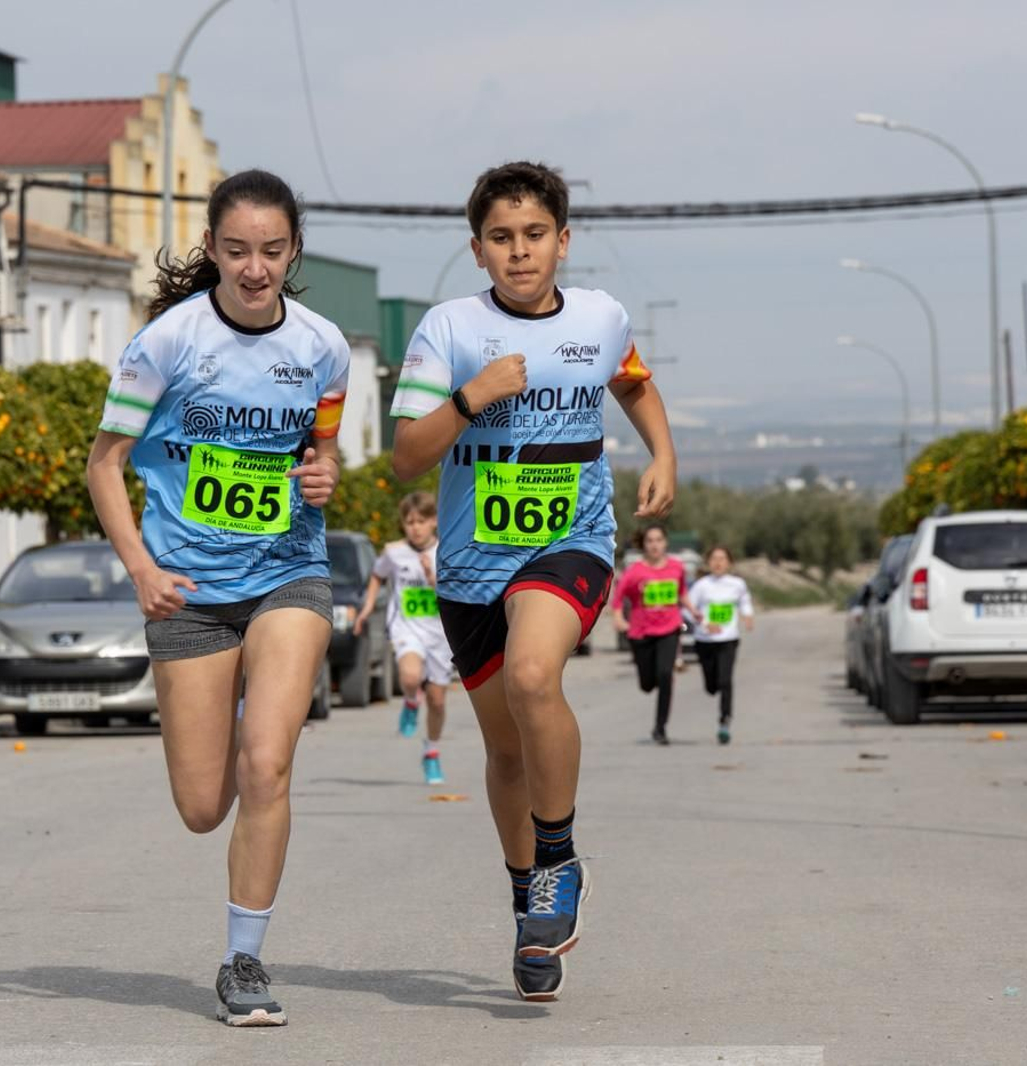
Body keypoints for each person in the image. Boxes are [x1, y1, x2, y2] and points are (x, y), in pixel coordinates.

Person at [388, 161, 676, 1002]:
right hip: (472, 565)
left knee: (533, 676)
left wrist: (663, 451)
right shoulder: (448, 329)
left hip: (571, 544)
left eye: (536, 236)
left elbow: (630, 379)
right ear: (477, 250)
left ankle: (558, 861)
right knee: (506, 747)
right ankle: (529, 907)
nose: (521, 253)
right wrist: (472, 398)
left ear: (563, 241)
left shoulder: (598, 316)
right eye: (502, 239)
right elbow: (406, 454)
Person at [86, 169, 349, 1028]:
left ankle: (244, 960)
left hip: (287, 572)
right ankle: (234, 730)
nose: (254, 268)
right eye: (236, 251)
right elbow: (105, 465)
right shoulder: (168, 343)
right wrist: (140, 567)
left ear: (293, 252)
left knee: (267, 763)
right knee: (204, 806)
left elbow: (323, 458)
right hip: (189, 591)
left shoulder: (322, 347)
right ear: (212, 250)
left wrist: (322, 475)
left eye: (271, 251)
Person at [354, 491, 456, 784]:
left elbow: (454, 590)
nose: (415, 528)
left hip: (440, 634)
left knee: (437, 701)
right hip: (407, 628)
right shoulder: (394, 552)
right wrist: (369, 606)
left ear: (434, 522)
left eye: (421, 521)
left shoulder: (446, 552)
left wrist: (432, 576)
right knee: (410, 676)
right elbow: (377, 575)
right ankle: (411, 701)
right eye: (409, 522)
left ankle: (432, 751)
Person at [611, 525, 688, 746]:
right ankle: (648, 678)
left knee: (665, 675)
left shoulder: (677, 567)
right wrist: (618, 618)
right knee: (647, 684)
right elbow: (618, 598)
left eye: (658, 540)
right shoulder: (634, 571)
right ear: (644, 545)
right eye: (650, 541)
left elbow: (681, 593)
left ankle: (660, 728)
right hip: (640, 633)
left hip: (669, 629)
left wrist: (693, 610)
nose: (654, 545)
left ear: (665, 543)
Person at [687, 545, 755, 744]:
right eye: (714, 559)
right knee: (711, 686)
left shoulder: (737, 584)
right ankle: (712, 687)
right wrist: (705, 624)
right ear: (708, 563)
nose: (718, 562)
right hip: (704, 640)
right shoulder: (701, 586)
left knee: (725, 681)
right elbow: (688, 611)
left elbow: (744, 601)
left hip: (728, 639)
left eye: (722, 558)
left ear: (729, 562)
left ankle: (725, 721)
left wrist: (748, 615)